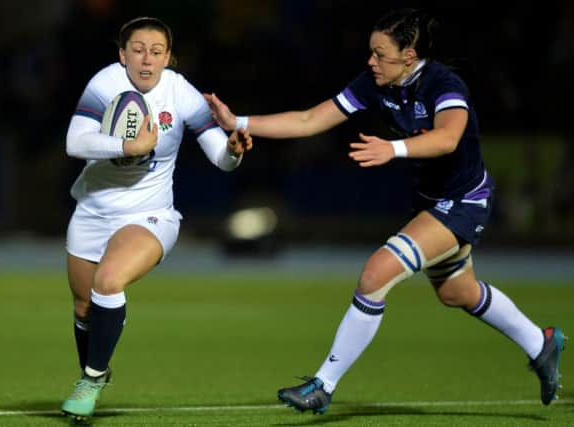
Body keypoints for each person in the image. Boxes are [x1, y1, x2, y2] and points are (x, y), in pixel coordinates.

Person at [206, 8, 565, 414]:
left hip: (464, 201)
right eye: (371, 53)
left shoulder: (444, 84)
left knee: (376, 273)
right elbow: (309, 120)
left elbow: (448, 139)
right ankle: (542, 342)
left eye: (380, 54)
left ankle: (323, 384)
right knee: (456, 292)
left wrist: (391, 148)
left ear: (408, 56)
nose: (370, 61)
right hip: (433, 200)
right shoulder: (376, 83)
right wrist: (240, 120)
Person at [61, 16, 252, 423]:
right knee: (83, 307)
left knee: (108, 281)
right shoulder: (105, 83)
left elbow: (221, 157)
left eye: (157, 51)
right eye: (137, 50)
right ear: (122, 54)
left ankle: (91, 380)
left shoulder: (180, 93)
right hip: (93, 209)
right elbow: (74, 142)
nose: (146, 60)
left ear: (168, 57)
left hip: (150, 214)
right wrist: (129, 145)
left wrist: (234, 148)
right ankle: (94, 369)